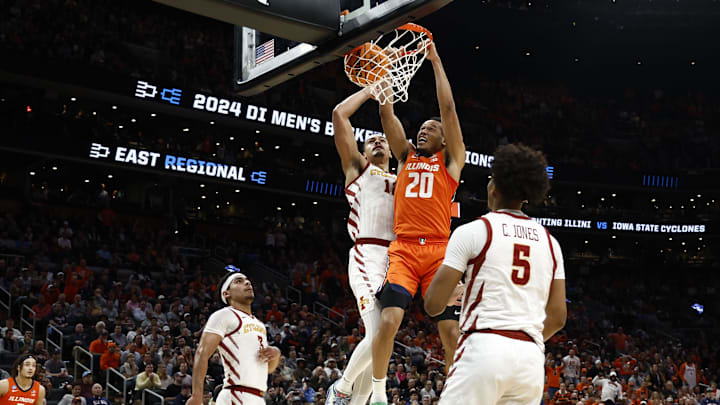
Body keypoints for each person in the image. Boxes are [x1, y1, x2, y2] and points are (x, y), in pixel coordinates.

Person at [423, 143, 567, 405]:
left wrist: (458, 291)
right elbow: (557, 317)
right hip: (530, 359)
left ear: (493, 188)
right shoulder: (551, 242)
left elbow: (433, 303)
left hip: (484, 347)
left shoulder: (474, 231)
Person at [369, 41, 467, 405]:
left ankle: (457, 395)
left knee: (451, 332)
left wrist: (436, 62)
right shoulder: (405, 155)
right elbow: (385, 113)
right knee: (390, 321)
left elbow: (449, 108)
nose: (424, 130)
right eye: (421, 127)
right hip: (406, 251)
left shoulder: (451, 162)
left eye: (431, 128)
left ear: (444, 139)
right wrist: (386, 73)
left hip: (441, 253)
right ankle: (378, 394)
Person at [325, 83, 397, 405]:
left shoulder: (405, 180)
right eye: (371, 140)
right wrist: (373, 90)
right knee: (380, 332)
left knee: (383, 340)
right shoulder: (359, 171)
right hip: (367, 254)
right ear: (363, 153)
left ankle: (356, 400)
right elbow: (339, 115)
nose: (379, 140)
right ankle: (341, 388)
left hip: (397, 259)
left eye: (383, 139)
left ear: (393, 152)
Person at [187, 266, 281, 405]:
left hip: (258, 397)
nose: (247, 283)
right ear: (226, 294)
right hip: (236, 394)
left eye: (247, 281)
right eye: (238, 281)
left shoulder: (259, 324)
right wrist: (197, 395)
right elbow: (202, 353)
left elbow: (267, 368)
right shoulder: (224, 315)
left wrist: (276, 354)